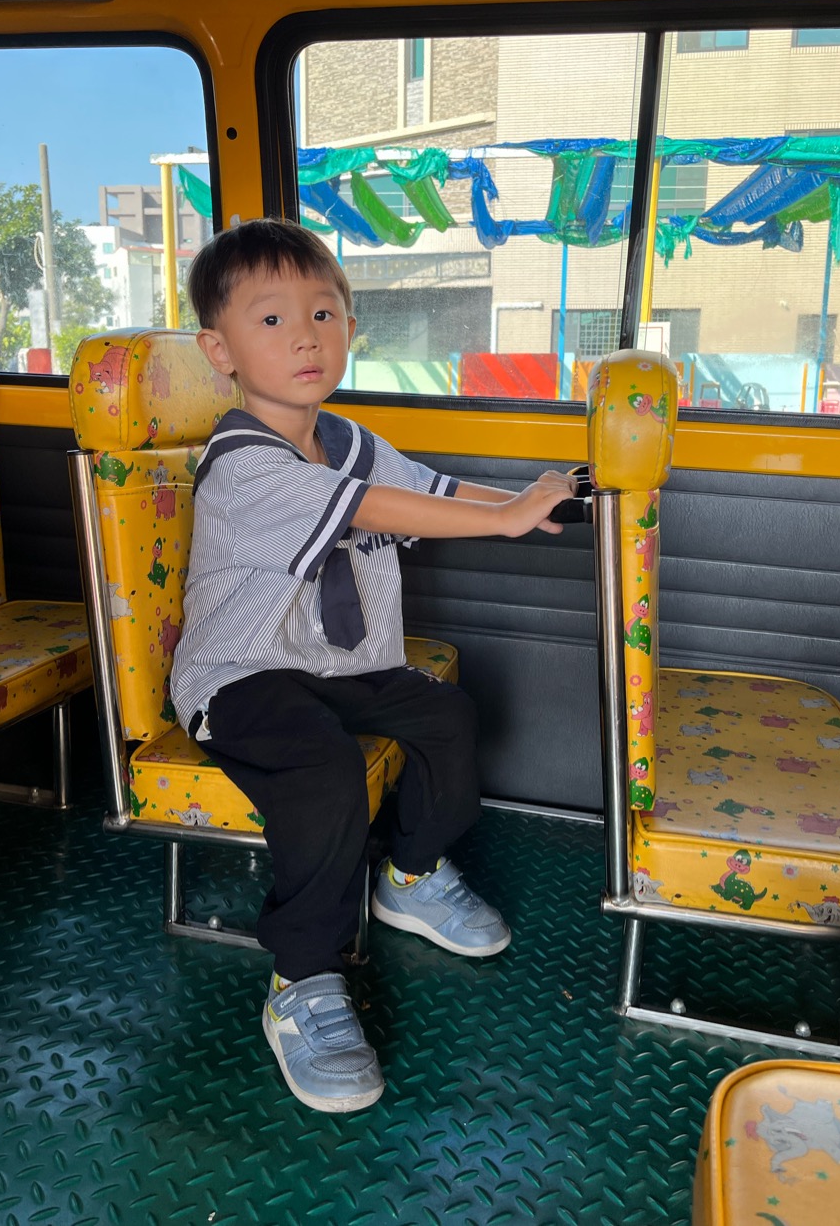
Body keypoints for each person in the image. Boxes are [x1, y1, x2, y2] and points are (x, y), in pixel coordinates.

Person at [171, 218, 574, 1114]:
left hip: (333, 661)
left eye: (323, 313)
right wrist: (502, 517)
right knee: (320, 765)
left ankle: (411, 875)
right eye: (271, 320)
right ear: (219, 350)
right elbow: (373, 508)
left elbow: (430, 491)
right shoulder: (242, 464)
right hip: (239, 674)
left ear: (351, 326)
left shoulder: (349, 440)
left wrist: (529, 502)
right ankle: (301, 979)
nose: (305, 336)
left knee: (446, 715)